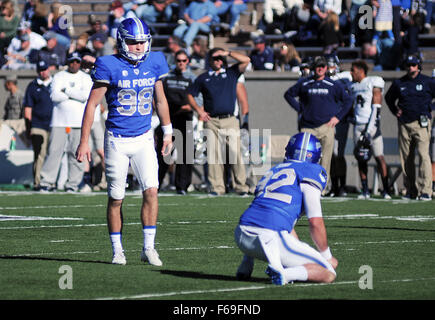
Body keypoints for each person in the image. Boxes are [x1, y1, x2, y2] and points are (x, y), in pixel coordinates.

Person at [75, 18, 173, 266]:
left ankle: (148, 247)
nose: (139, 47)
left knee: (151, 190)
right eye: (133, 42)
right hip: (117, 139)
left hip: (143, 138)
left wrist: (168, 131)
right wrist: (84, 141)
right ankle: (117, 249)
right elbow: (92, 105)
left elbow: (160, 100)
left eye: (142, 42)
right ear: (121, 41)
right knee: (116, 198)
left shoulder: (155, 62)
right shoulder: (108, 64)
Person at [234, 132, 338, 285]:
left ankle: (247, 263)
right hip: (269, 236)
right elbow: (315, 221)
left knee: (268, 215)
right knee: (328, 272)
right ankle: (284, 274)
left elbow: (282, 220)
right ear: (315, 156)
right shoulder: (311, 171)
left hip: (241, 233)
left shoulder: (274, 171)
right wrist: (326, 256)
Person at [284, 56, 353, 193]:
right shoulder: (305, 83)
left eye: (322, 66)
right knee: (305, 159)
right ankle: (303, 186)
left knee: (326, 160)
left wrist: (337, 117)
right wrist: (300, 109)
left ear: (326, 68)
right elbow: (288, 94)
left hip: (326, 127)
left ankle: (322, 188)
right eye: (317, 66)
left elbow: (348, 101)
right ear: (313, 68)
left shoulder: (332, 85)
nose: (320, 69)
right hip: (307, 126)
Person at [187, 47, 250, 196]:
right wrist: (199, 110)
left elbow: (246, 60)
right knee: (214, 155)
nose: (218, 61)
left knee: (235, 153)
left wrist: (227, 53)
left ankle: (241, 187)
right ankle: (217, 188)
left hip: (230, 119)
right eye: (215, 58)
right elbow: (190, 94)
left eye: (220, 58)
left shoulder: (231, 73)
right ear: (209, 60)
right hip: (212, 120)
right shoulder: (203, 78)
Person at [39, 52, 93, 192]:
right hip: (59, 121)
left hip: (78, 121)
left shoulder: (85, 78)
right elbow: (54, 96)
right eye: (71, 61)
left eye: (77, 61)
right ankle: (47, 181)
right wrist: (74, 93)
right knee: (54, 152)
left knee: (76, 155)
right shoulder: (59, 76)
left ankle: (73, 184)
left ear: (80, 63)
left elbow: (85, 96)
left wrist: (66, 90)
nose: (74, 64)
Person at [385, 54, 435, 201]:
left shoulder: (428, 81)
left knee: (423, 155)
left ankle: (426, 190)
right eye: (408, 65)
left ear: (418, 65)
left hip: (421, 123)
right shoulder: (399, 83)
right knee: (406, 158)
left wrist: (429, 108)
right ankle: (410, 190)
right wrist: (395, 111)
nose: (411, 67)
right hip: (404, 123)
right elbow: (389, 98)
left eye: (413, 65)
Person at [350, 60, 391, 199]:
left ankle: (386, 190)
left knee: (379, 157)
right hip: (358, 125)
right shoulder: (353, 86)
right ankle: (365, 190)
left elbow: (376, 107)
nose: (351, 73)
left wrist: (369, 129)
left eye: (353, 70)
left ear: (361, 71)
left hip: (371, 125)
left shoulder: (373, 82)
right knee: (361, 158)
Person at [160, 50, 198, 195]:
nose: (181, 63)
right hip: (169, 119)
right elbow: (159, 95)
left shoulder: (192, 78)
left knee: (186, 154)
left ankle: (182, 186)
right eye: (179, 61)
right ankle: (157, 182)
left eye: (184, 61)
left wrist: (189, 106)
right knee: (164, 152)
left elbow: (198, 98)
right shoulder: (168, 77)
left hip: (185, 117)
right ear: (175, 61)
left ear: (188, 61)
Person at [23, 59, 54, 189]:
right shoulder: (33, 86)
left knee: (53, 153)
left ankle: (51, 181)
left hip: (54, 124)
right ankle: (38, 182)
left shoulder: (56, 83)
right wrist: (29, 127)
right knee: (40, 153)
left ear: (49, 69)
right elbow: (28, 109)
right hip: (38, 124)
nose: (43, 72)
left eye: (45, 69)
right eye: (40, 70)